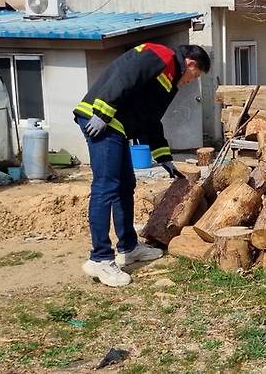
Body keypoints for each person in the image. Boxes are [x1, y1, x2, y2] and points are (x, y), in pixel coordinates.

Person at [73, 43, 211, 287]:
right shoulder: (162, 56)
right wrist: (103, 113)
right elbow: (125, 74)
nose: (191, 81)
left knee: (126, 184)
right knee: (107, 186)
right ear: (190, 64)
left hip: (117, 128)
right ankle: (100, 258)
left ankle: (128, 247)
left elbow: (151, 120)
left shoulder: (168, 83)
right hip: (101, 121)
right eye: (195, 76)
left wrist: (164, 157)